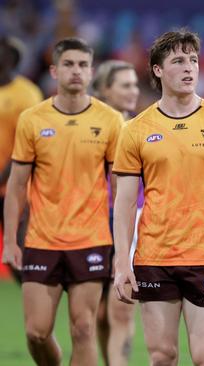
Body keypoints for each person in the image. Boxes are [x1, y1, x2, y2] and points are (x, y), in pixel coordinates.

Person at [112, 29, 204, 366]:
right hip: (154, 258)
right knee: (162, 357)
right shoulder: (136, 130)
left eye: (193, 60)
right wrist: (122, 261)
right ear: (158, 70)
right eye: (178, 60)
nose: (189, 67)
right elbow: (124, 202)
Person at [2, 37, 123, 366]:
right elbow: (16, 186)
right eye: (68, 64)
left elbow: (121, 189)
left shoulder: (111, 120)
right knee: (36, 333)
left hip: (92, 239)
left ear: (91, 71)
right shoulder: (33, 119)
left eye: (83, 65)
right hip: (42, 239)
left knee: (83, 328)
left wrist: (125, 246)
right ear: (54, 71)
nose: (76, 71)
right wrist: (11, 241)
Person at [92, 60, 140, 366]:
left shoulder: (141, 129)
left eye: (135, 84)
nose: (134, 91)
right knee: (97, 313)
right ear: (104, 90)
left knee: (121, 305)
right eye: (125, 85)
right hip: (95, 221)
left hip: (131, 220)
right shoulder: (92, 130)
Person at [0, 36, 43, 282]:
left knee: (18, 253)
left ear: (11, 58)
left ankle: (35, 296)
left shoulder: (26, 93)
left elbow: (28, 142)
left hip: (13, 187)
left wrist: (3, 176)